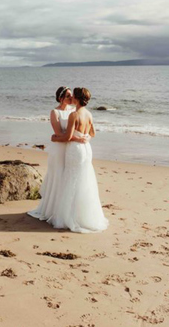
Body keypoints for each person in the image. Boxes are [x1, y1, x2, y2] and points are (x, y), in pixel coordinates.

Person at [49, 87, 109, 233]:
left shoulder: (74, 115)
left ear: (76, 98)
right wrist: (85, 138)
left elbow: (67, 137)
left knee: (71, 180)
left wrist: (54, 138)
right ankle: (86, 215)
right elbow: (92, 133)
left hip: (75, 150)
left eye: (72, 96)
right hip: (87, 149)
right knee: (84, 180)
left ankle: (70, 216)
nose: (71, 98)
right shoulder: (89, 114)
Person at [27, 86, 86, 221]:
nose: (71, 98)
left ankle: (67, 210)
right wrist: (77, 138)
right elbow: (60, 133)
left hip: (71, 149)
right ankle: (53, 210)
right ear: (60, 98)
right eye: (67, 96)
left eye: (71, 95)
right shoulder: (55, 112)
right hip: (59, 149)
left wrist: (83, 136)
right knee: (59, 176)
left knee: (69, 178)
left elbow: (81, 126)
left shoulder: (74, 111)